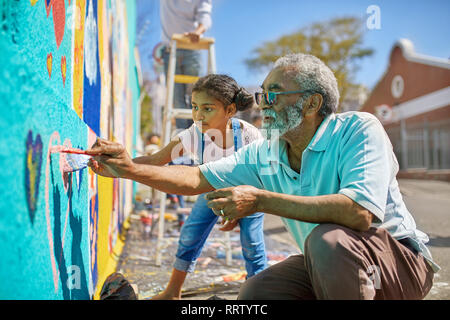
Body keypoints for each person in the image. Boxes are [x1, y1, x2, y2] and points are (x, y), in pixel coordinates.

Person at [86, 53, 439, 300]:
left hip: (400, 265)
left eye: (273, 94)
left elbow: (358, 212)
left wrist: (259, 199)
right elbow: (197, 179)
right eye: (261, 94)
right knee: (258, 291)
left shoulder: (358, 129)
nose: (263, 103)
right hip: (330, 264)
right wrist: (130, 170)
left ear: (312, 104)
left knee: (326, 240)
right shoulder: (265, 151)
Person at [112, 74, 267, 300]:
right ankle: (172, 292)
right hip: (212, 190)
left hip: (251, 193)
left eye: (207, 108)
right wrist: (121, 163)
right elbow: (157, 160)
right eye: (194, 107)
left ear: (230, 110)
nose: (198, 115)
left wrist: (237, 211)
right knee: (189, 235)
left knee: (252, 244)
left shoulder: (248, 135)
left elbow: (259, 178)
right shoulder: (194, 134)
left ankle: (257, 297)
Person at [160, 0, 212, 130]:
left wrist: (198, 31)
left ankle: (195, 135)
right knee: (176, 99)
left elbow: (205, 16)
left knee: (194, 97)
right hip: (170, 49)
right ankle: (182, 138)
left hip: (192, 49)